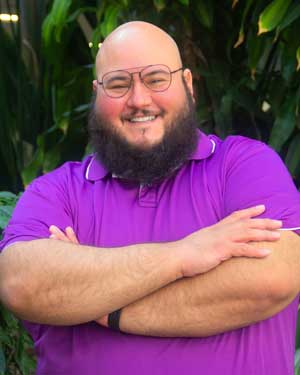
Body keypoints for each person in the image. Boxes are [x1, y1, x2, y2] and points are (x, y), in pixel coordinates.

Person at [0, 21, 300, 375]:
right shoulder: (57, 191)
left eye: (156, 79)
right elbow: (22, 284)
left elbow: (273, 276)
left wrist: (106, 309)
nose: (139, 100)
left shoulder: (244, 166)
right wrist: (182, 255)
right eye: (118, 84)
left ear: (188, 84)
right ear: (96, 94)